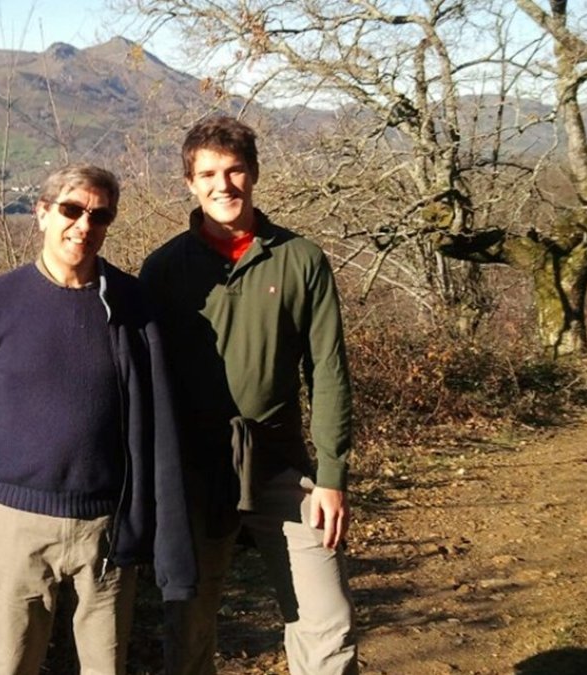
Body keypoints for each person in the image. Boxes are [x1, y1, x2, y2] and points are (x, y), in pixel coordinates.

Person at [0, 164, 196, 674]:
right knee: (13, 663)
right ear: (42, 213)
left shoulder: (130, 303)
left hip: (107, 527)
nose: (84, 225)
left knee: (106, 666)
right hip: (14, 523)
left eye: (99, 214)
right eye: (71, 209)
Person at [140, 116, 358, 674]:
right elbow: (143, 381)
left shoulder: (300, 258)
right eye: (208, 173)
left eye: (235, 170)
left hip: (282, 465)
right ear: (190, 182)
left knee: (327, 626)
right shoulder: (164, 270)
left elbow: (328, 370)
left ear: (254, 173)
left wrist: (331, 477)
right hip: (195, 474)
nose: (223, 184)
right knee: (186, 633)